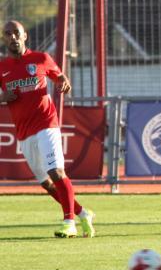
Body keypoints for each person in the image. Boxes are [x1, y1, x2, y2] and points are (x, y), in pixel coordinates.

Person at [0, 20, 95, 238]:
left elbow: (58, 76)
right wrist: (2, 97)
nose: (13, 37)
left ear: (25, 36)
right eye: (8, 34)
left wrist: (63, 82)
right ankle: (83, 213)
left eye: (16, 33)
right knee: (47, 184)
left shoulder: (41, 59)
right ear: (4, 38)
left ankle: (69, 222)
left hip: (46, 124)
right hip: (24, 132)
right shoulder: (2, 67)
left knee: (56, 171)